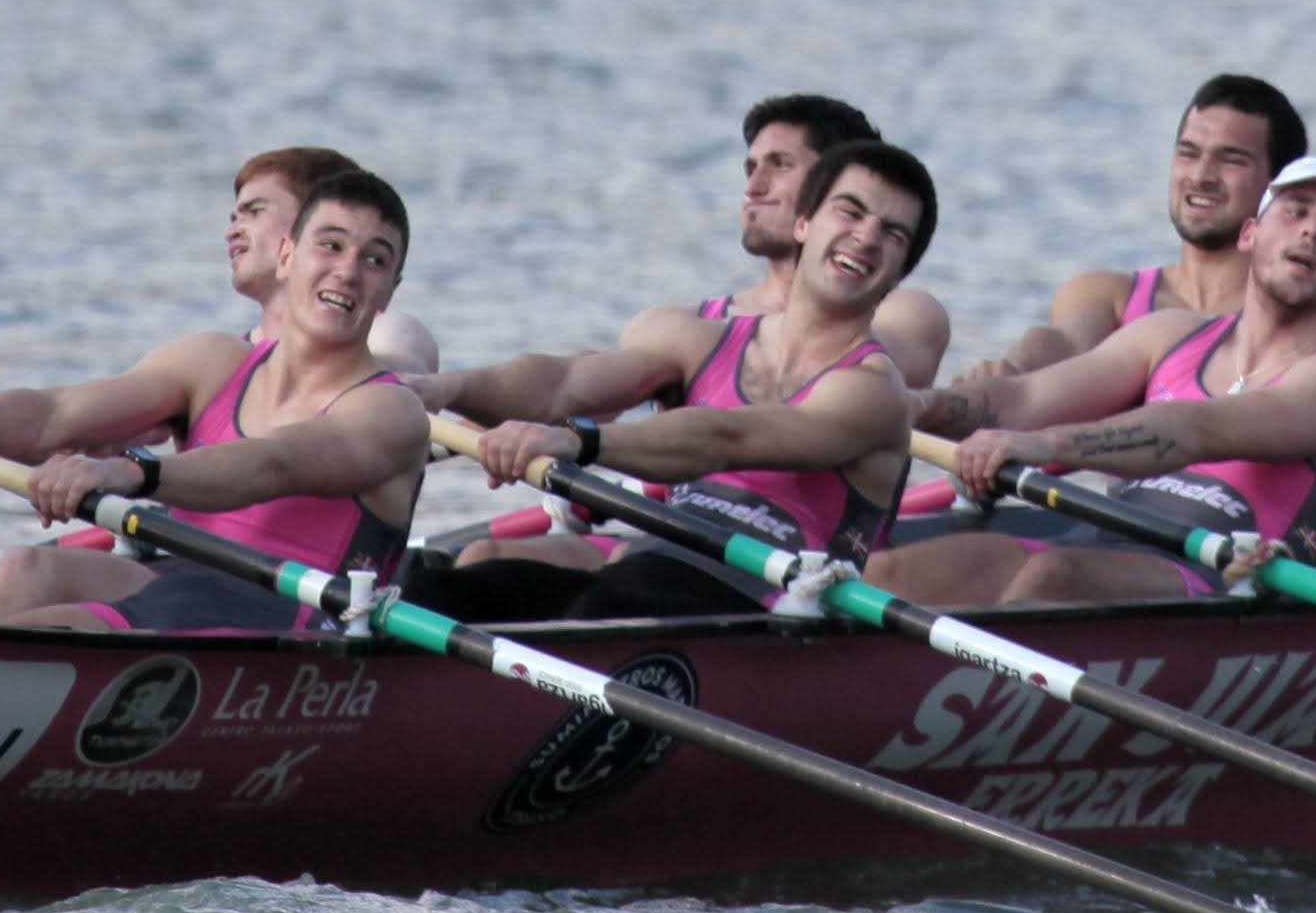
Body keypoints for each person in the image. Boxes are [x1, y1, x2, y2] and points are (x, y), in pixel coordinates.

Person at [0, 168, 429, 631]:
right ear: (286, 256)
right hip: (183, 583)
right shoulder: (214, 361)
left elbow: (272, 462)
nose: (348, 271)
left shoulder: (389, 411)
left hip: (293, 617)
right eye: (330, 245)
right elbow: (54, 415)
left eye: (375, 260)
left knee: (62, 626)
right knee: (24, 568)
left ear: (390, 290)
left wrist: (128, 472)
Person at [415, 141, 935, 621]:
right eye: (850, 212)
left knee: (610, 602)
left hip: (772, 607)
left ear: (899, 273)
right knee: (435, 594)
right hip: (654, 569)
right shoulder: (701, 341)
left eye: (893, 234)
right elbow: (562, 384)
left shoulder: (871, 391)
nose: (866, 238)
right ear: (803, 223)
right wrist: (447, 390)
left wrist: (575, 441)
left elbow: (726, 438)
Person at [873, 156, 1316, 606]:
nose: (1312, 232)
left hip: (1219, 585)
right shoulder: (1171, 335)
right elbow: (1023, 397)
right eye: (1295, 212)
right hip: (1102, 544)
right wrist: (914, 404)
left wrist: (1040, 445)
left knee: (1054, 576)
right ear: (1250, 234)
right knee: (891, 573)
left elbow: (1194, 429)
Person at [973, 74, 1306, 378]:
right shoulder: (1106, 294)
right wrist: (1016, 368)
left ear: (1283, 188)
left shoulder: (1305, 308)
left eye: (1231, 160)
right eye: (1188, 154)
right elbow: (1066, 342)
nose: (1201, 176)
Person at [730, 93, 952, 386]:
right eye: (751, 169)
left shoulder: (908, 314)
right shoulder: (696, 325)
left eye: (781, 164)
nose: (753, 188)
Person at [225, 145, 440, 371]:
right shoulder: (223, 357)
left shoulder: (386, 333)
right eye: (234, 218)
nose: (231, 232)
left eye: (256, 211)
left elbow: (405, 367)